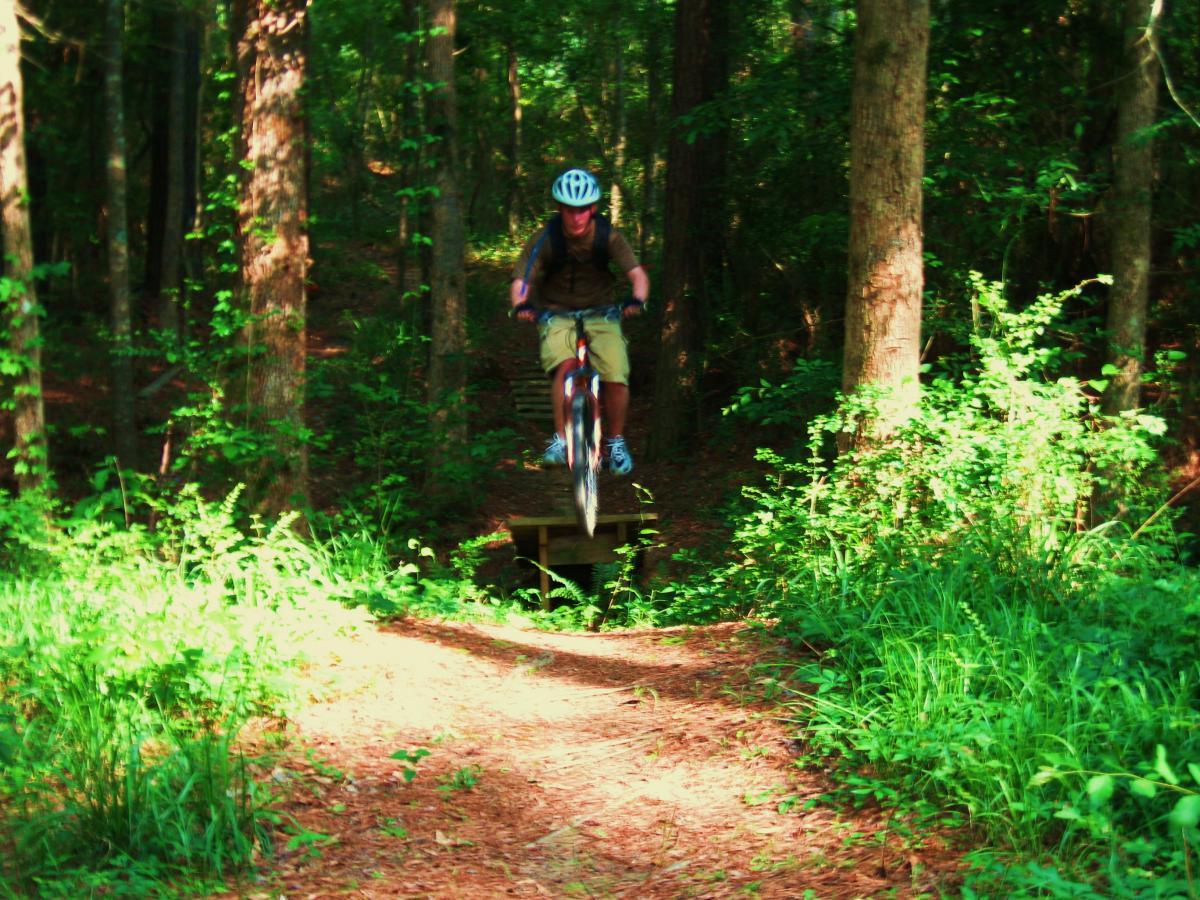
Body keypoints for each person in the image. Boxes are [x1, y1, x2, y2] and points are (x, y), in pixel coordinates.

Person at [509, 168, 650, 475]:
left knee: (615, 373)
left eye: (582, 210)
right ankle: (560, 440)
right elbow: (523, 277)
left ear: (593, 209)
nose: (576, 217)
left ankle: (615, 441)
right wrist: (521, 304)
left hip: (602, 311)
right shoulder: (545, 239)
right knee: (566, 365)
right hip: (556, 311)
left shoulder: (607, 236)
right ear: (560, 209)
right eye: (570, 210)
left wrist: (637, 299)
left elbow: (637, 274)